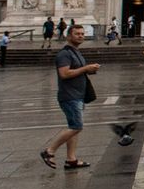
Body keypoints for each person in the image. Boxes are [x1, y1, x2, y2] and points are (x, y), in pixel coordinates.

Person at [41, 24, 100, 171]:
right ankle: (49, 151)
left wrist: (89, 71)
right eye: (77, 34)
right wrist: (86, 68)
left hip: (77, 95)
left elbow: (76, 71)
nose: (80, 36)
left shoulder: (76, 52)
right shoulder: (64, 54)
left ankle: (71, 159)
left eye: (82, 33)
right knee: (76, 126)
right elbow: (64, 74)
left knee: (73, 127)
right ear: (68, 36)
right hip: (70, 96)